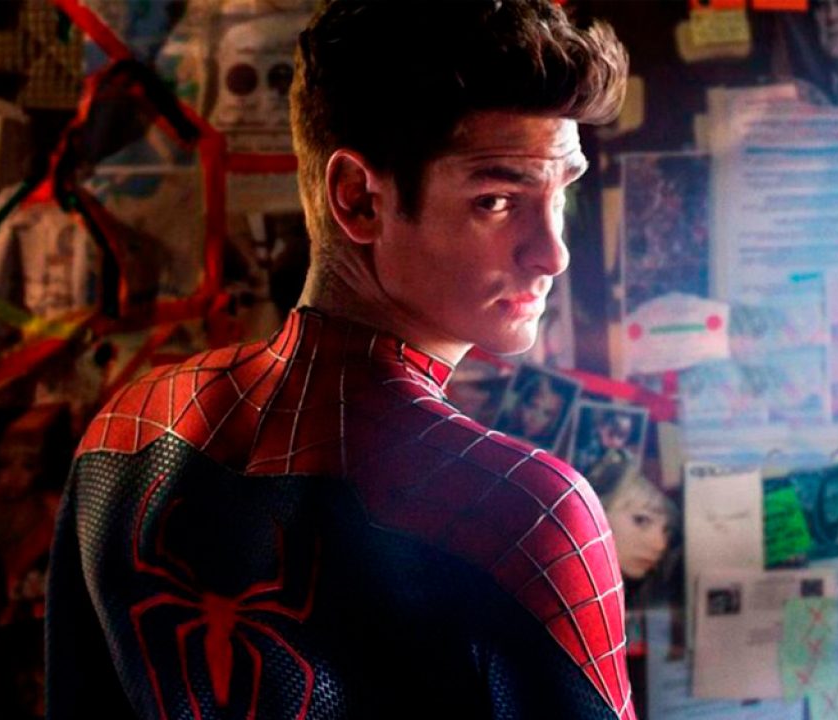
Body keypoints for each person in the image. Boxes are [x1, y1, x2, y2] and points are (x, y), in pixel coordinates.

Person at [46, 2, 633, 719]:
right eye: (497, 200)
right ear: (358, 200)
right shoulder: (529, 513)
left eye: (561, 191)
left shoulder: (125, 432)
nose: (553, 252)